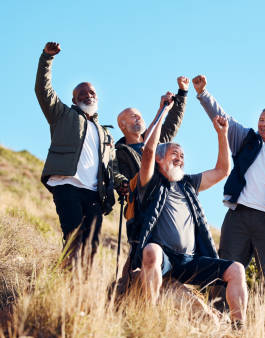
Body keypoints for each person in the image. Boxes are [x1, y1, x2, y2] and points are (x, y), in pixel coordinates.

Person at [130, 94, 247, 322]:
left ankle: (238, 326)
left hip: (189, 260)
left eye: (183, 156)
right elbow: (147, 153)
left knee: (236, 270)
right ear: (160, 160)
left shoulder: (189, 184)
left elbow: (222, 171)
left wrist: (222, 135)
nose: (180, 159)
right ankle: (149, 317)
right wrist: (164, 110)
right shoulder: (150, 182)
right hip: (164, 258)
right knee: (151, 252)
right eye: (175, 154)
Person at [192, 75, 265, 291]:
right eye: (261, 120)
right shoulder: (246, 139)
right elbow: (222, 118)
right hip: (239, 217)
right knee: (225, 269)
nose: (263, 124)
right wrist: (203, 94)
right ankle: (219, 318)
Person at [35, 42, 126, 258]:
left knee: (91, 248)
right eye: (82, 94)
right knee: (74, 239)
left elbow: (111, 166)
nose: (88, 95)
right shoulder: (62, 115)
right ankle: (63, 284)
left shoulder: (105, 134)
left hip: (95, 193)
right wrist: (47, 58)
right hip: (66, 185)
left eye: (92, 92)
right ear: (74, 100)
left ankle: (80, 289)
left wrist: (121, 183)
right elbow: (43, 90)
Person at [115, 76, 190, 181]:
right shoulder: (119, 154)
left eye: (140, 115)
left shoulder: (158, 141)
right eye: (133, 116)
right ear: (122, 125)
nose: (139, 117)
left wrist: (182, 92)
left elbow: (173, 122)